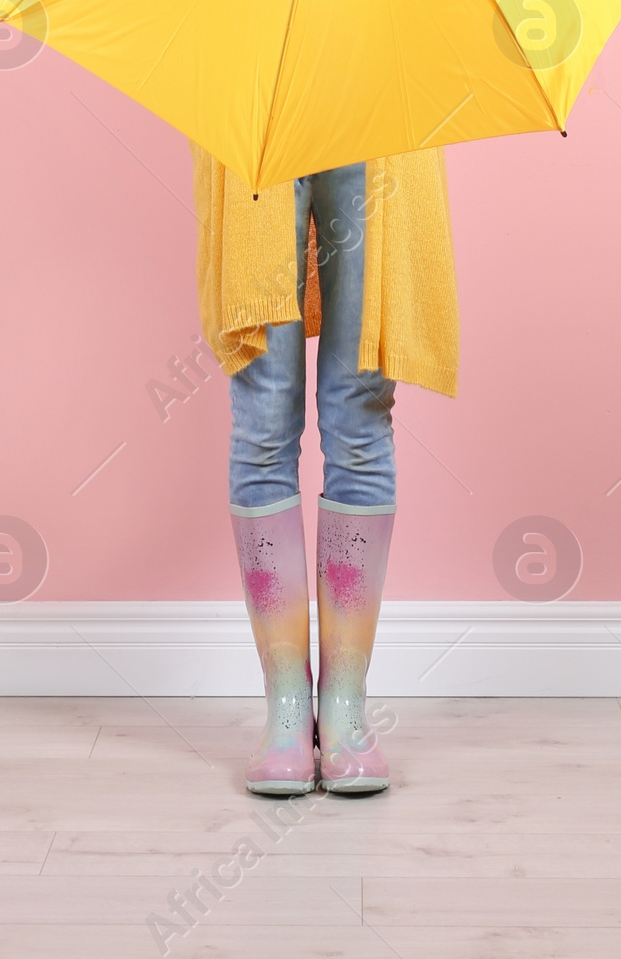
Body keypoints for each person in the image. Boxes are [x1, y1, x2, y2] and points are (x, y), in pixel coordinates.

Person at [192, 143, 459, 797]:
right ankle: (286, 704)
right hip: (255, 113)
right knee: (262, 413)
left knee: (362, 408)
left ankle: (345, 705)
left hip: (377, 111)